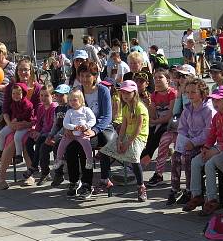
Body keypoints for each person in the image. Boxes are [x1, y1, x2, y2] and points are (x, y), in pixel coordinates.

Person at [58, 62, 114, 198]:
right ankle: (73, 181)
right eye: (81, 75)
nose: (84, 79)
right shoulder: (77, 90)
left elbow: (107, 116)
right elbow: (69, 111)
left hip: (98, 130)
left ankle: (87, 184)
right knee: (70, 147)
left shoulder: (102, 91)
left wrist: (94, 130)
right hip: (76, 130)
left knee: (84, 147)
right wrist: (68, 129)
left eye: (87, 76)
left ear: (95, 76)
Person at [183, 86, 223, 213]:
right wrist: (206, 147)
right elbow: (212, 135)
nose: (214, 103)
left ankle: (212, 199)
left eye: (218, 100)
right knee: (195, 162)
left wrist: (215, 151)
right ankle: (196, 195)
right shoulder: (217, 116)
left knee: (209, 165)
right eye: (213, 101)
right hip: (217, 147)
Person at [99, 80, 150, 201]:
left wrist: (127, 143)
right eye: (123, 93)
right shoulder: (126, 107)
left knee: (134, 157)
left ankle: (141, 186)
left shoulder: (139, 107)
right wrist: (119, 140)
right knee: (104, 151)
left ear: (134, 92)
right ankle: (105, 179)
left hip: (139, 137)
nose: (125, 95)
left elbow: (138, 129)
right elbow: (123, 126)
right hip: (127, 135)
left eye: (128, 92)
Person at [166, 77, 214, 206]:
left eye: (193, 92)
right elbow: (183, 129)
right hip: (189, 141)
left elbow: (208, 132)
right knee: (175, 157)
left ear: (202, 93)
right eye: (187, 92)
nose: (190, 95)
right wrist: (182, 142)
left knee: (188, 157)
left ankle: (190, 191)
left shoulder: (208, 109)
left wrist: (193, 142)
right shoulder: (188, 109)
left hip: (204, 144)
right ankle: (174, 189)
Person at [0, 82, 36, 189]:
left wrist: (25, 123)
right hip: (13, 124)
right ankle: (1, 177)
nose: (24, 73)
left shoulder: (36, 87)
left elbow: (33, 114)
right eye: (21, 70)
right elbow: (5, 110)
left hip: (30, 125)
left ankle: (29, 174)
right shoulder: (11, 88)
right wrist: (11, 123)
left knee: (23, 140)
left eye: (26, 70)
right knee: (8, 138)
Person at [52, 89, 96, 173]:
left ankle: (89, 160)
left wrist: (86, 126)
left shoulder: (86, 110)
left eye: (75, 100)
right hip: (72, 133)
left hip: (82, 133)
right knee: (62, 143)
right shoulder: (69, 112)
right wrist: (73, 127)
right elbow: (65, 123)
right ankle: (59, 159)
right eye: (70, 100)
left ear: (81, 100)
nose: (72, 102)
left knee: (86, 144)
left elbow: (92, 120)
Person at [23, 85, 57, 185]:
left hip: (50, 134)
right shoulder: (41, 107)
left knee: (41, 142)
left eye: (46, 95)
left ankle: (35, 167)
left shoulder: (54, 108)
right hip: (42, 133)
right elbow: (39, 123)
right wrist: (35, 132)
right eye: (41, 95)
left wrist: (40, 133)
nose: (43, 98)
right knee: (28, 142)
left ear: (52, 96)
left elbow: (52, 126)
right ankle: (35, 165)